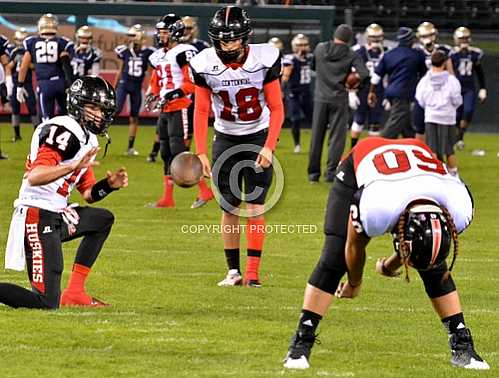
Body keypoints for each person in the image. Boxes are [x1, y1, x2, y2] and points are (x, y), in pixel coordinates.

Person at [283, 136, 489, 371]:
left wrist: (388, 267)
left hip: (413, 160)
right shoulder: (377, 207)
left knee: (432, 262)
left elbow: (417, 245)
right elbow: (354, 245)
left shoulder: (459, 208)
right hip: (362, 160)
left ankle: (462, 344)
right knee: (335, 257)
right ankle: (301, 340)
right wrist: (354, 282)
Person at [2, 76, 128, 309]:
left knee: (102, 220)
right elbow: (35, 176)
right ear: (76, 105)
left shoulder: (86, 137)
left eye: (102, 109)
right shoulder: (64, 131)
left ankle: (75, 292)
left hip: (57, 212)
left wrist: (108, 185)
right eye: (92, 108)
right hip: (36, 214)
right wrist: (71, 166)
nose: (99, 115)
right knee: (46, 302)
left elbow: (88, 193)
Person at [190, 6, 284, 287]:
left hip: (257, 134)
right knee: (229, 207)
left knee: (255, 205)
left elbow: (277, 108)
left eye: (231, 39)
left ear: (245, 38)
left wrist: (268, 146)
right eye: (221, 39)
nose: (226, 45)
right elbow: (200, 109)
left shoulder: (264, 59)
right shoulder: (204, 63)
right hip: (225, 136)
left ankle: (253, 273)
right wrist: (201, 151)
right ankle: (233, 271)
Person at [145, 14, 213, 209]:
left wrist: (174, 93)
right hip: (165, 108)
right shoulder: (160, 54)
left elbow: (192, 84)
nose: (161, 36)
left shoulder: (185, 52)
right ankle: (168, 198)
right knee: (165, 152)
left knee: (179, 151)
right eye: (160, 32)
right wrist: (152, 93)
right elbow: (156, 80)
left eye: (164, 32)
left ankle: (205, 191)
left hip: (180, 106)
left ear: (175, 33)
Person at [308, 24, 369, 183]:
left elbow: (312, 66)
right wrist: (353, 86)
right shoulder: (351, 53)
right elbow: (364, 74)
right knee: (337, 139)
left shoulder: (320, 48)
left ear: (335, 35)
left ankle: (313, 174)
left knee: (316, 136)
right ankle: (330, 174)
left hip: (321, 97)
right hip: (339, 99)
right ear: (349, 39)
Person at [368, 27, 426, 140]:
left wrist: (371, 91)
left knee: (406, 126)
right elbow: (424, 74)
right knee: (394, 124)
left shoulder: (389, 54)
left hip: (390, 92)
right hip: (404, 94)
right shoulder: (416, 55)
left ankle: (411, 145)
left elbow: (376, 76)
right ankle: (379, 146)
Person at [17, 14, 74, 122]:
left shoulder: (32, 42)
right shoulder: (61, 42)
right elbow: (67, 64)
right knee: (67, 117)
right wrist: (70, 83)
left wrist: (20, 85)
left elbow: (24, 66)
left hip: (45, 84)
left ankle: (48, 137)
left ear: (40, 27)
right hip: (60, 82)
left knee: (46, 119)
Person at [415, 51, 462, 176]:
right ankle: (454, 175)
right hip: (447, 118)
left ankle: (435, 175)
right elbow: (456, 99)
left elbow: (420, 98)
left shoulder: (425, 80)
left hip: (431, 116)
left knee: (432, 148)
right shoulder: (451, 80)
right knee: (449, 149)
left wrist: (430, 108)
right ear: (445, 62)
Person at [114, 24, 155, 156]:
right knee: (116, 110)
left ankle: (130, 147)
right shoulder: (124, 51)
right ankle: (97, 133)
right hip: (124, 84)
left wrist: (151, 89)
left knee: (134, 117)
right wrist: (113, 87)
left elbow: (149, 73)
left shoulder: (148, 53)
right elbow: (120, 70)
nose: (130, 38)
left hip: (136, 86)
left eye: (132, 35)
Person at [412, 22, 454, 141]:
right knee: (419, 127)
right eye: (424, 36)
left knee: (440, 128)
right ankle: (419, 155)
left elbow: (451, 74)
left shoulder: (444, 50)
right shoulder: (415, 52)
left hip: (440, 94)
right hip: (423, 93)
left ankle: (438, 157)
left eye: (430, 35)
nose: (428, 39)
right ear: (419, 37)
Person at [350, 23, 387, 149]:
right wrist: (351, 92)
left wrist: (388, 95)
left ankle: (373, 151)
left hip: (379, 91)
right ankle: (352, 149)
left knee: (375, 123)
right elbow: (350, 73)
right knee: (359, 120)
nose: (376, 41)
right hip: (362, 90)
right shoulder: (358, 51)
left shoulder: (386, 52)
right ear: (367, 37)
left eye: (378, 38)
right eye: (373, 37)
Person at [450, 27, 486, 150]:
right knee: (456, 116)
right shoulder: (452, 54)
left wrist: (483, 88)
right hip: (455, 89)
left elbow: (479, 72)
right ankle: (455, 139)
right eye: (461, 38)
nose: (464, 41)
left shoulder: (474, 54)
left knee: (468, 111)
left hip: (469, 88)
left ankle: (459, 137)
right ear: (456, 39)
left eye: (466, 38)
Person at [5, 28, 39, 142]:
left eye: (22, 40)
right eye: (18, 40)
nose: (20, 42)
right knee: (15, 109)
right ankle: (17, 134)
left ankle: (37, 133)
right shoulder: (12, 51)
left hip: (28, 83)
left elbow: (35, 67)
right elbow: (8, 67)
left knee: (32, 109)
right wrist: (14, 61)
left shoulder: (30, 51)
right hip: (16, 83)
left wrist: (27, 63)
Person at [282, 33, 313, 153]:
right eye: (300, 45)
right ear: (295, 46)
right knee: (295, 119)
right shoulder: (290, 59)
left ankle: (314, 143)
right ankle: (297, 145)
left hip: (306, 93)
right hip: (293, 93)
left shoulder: (310, 58)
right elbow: (285, 76)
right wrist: (282, 90)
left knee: (313, 119)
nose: (303, 48)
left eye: (305, 45)